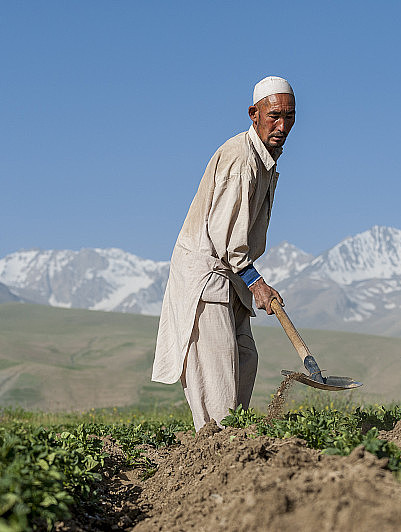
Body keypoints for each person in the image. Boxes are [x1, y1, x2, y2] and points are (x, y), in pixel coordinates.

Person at [152, 76, 296, 431]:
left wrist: (250, 280)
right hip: (207, 277)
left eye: (289, 117)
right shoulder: (240, 159)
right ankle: (217, 447)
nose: (281, 126)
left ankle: (233, 440)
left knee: (245, 357)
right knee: (217, 376)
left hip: (229, 275)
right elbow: (226, 238)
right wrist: (256, 284)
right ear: (254, 114)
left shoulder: (265, 161)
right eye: (274, 116)